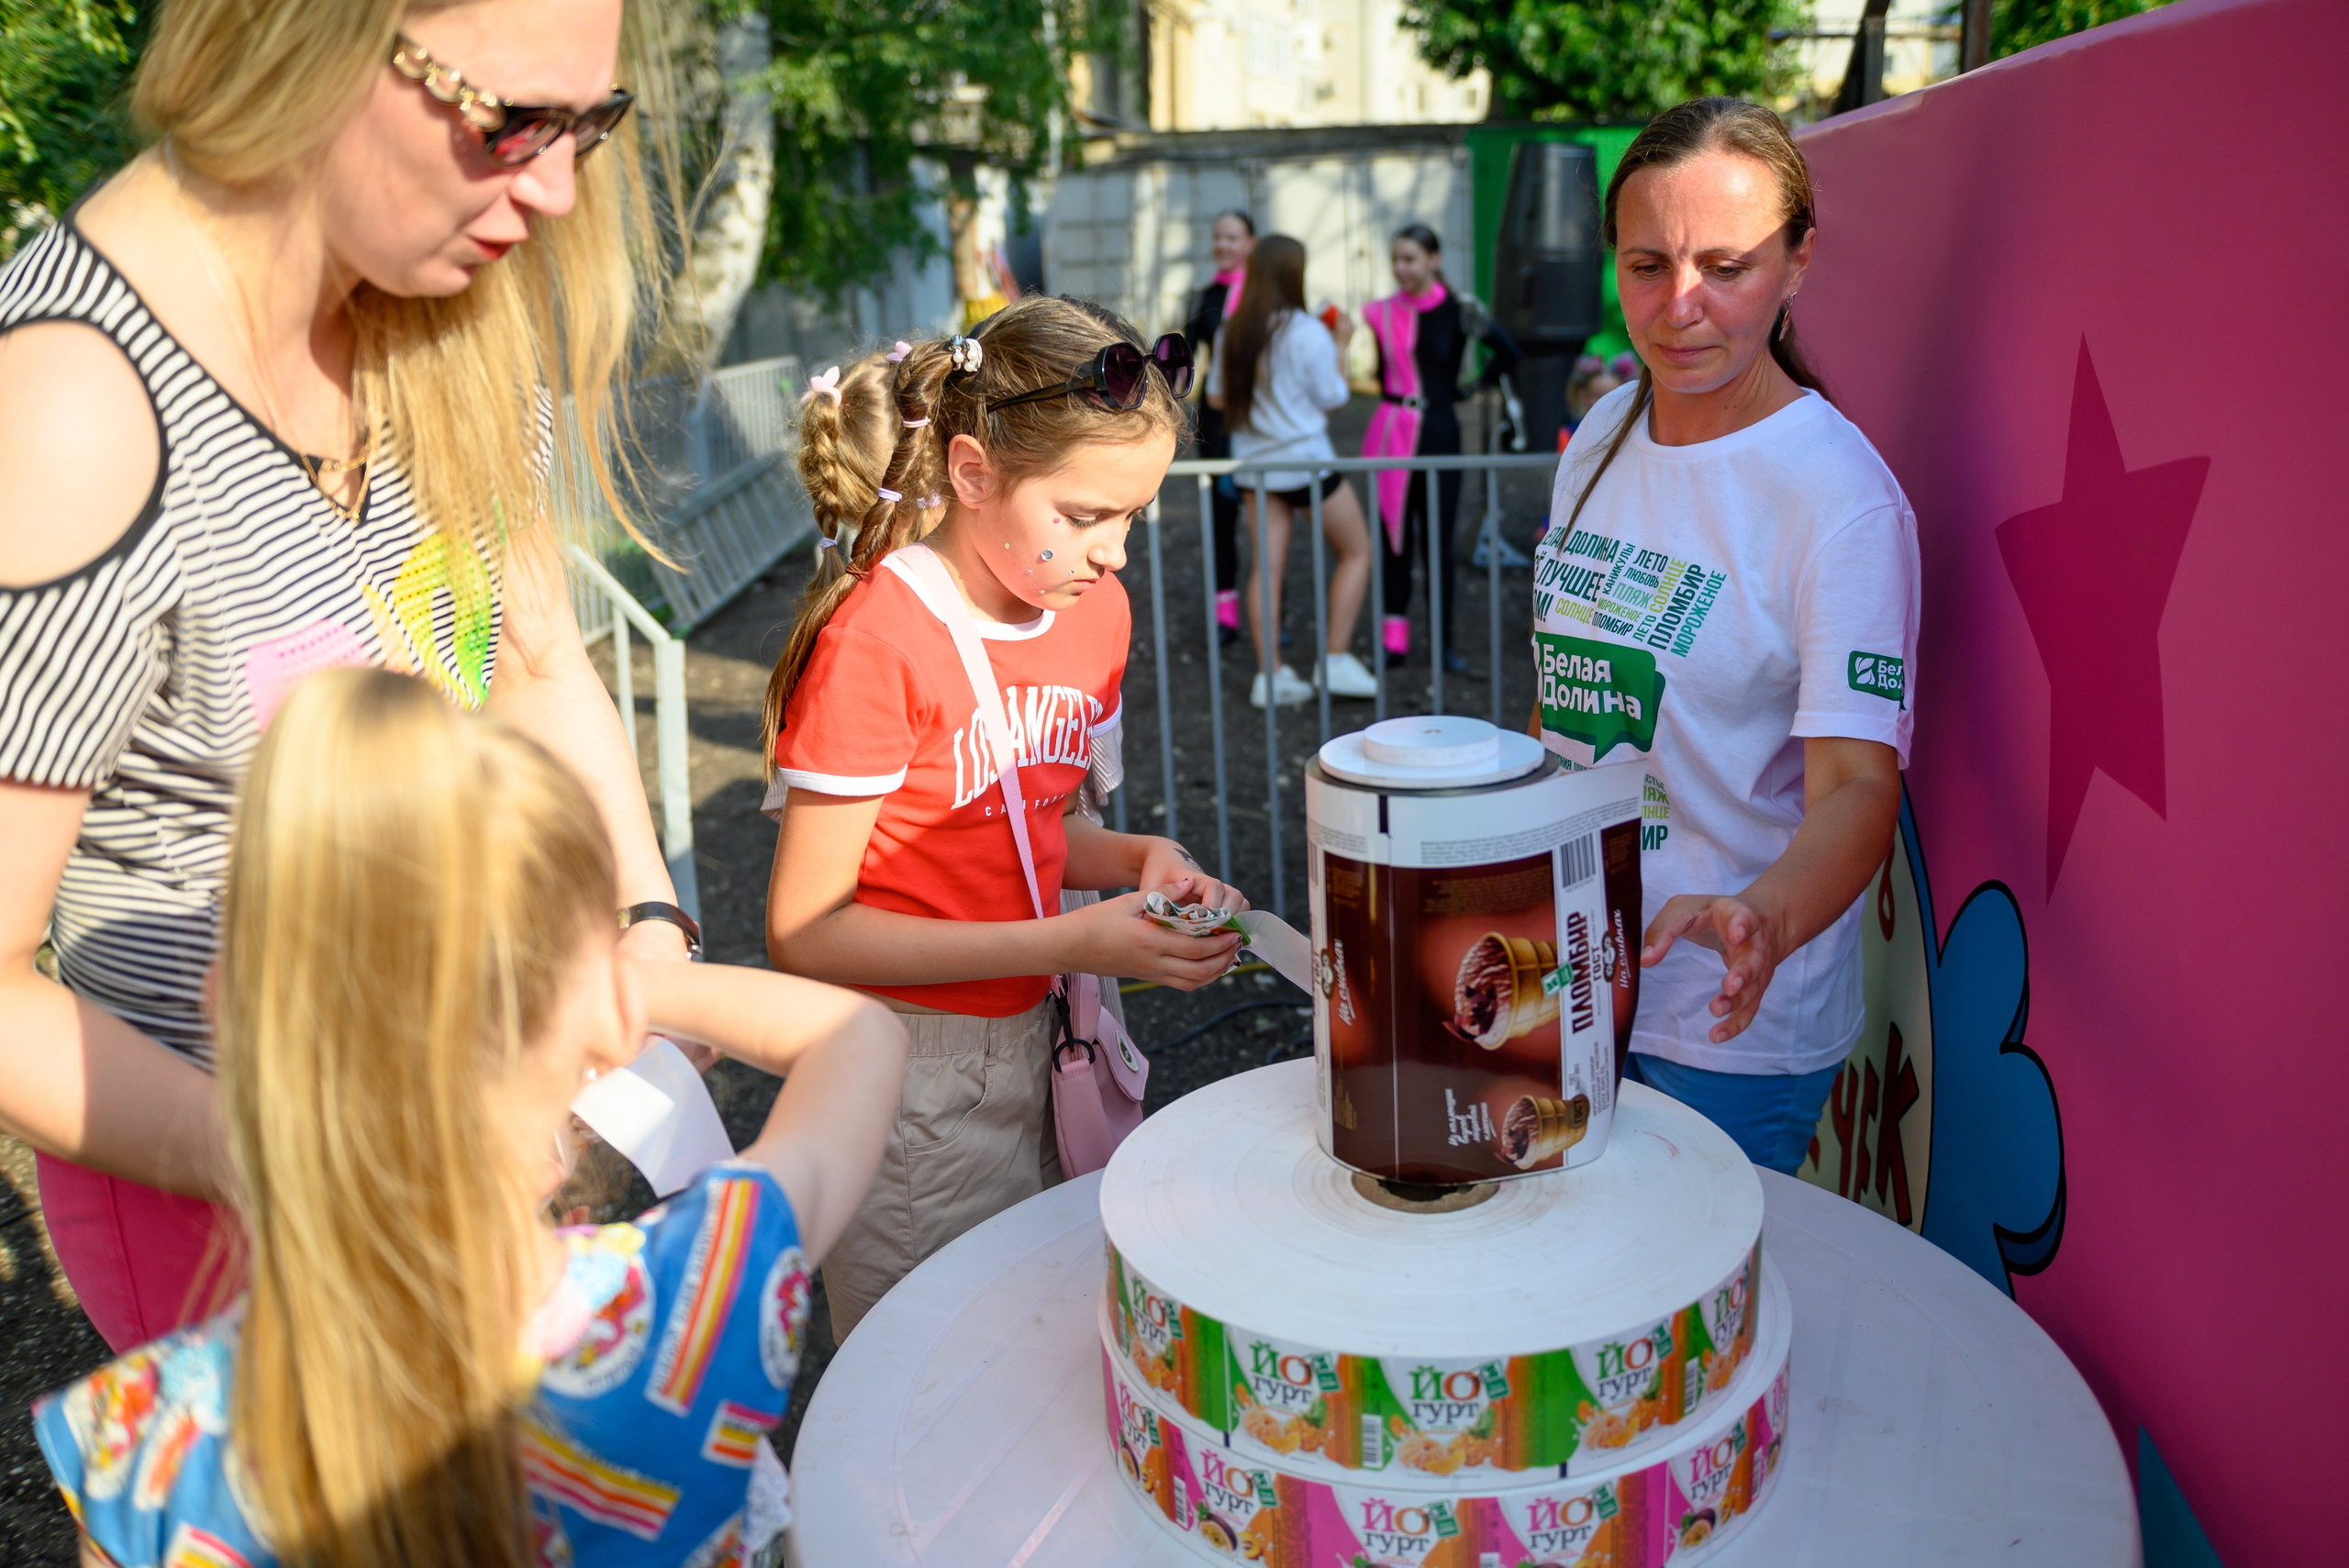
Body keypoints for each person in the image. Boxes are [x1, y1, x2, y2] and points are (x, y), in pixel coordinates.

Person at [0, 0, 705, 1354]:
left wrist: (643, 926)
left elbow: (535, 660)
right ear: (304, 41)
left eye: (589, 127)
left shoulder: (437, 312)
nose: (557, 192)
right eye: (510, 123)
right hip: (232, 1189)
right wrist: (330, 1170)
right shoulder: (74, 412)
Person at [33, 668, 909, 1568]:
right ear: (596, 1017)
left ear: (236, 1019)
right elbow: (858, 1036)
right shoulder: (695, 1300)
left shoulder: (143, 1446)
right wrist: (623, 985)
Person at [762, 297, 1251, 1340]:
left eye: (1134, 516)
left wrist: (1141, 857)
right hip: (903, 1076)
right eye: (1082, 516)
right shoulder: (878, 638)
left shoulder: (1091, 611)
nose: (1114, 551)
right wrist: (1072, 935)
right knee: (927, 1377)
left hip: (1040, 1038)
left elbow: (1029, 833)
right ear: (973, 473)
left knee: (1033, 1346)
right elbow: (806, 930)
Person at [1530, 98, 1918, 1174]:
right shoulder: (1603, 429)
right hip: (1570, 974)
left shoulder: (1839, 503)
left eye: (1727, 266)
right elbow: (1566, 693)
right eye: (1647, 264)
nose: (1680, 308)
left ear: (1797, 263)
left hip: (1726, 1026)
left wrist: (1760, 919)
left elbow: (1855, 787)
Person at [1206, 235, 1379, 708]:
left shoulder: (1232, 331)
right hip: (1304, 462)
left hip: (1255, 468)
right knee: (1357, 551)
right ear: (1293, 275)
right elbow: (1335, 397)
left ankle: (1271, 675)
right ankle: (1336, 658)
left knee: (1267, 570)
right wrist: (1342, 342)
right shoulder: (1305, 331)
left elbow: (1217, 398)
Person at [1361, 224, 1519, 673]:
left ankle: (1444, 644)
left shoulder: (1458, 310)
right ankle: (1394, 643)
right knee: (1394, 539)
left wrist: (1471, 389)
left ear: (1434, 259)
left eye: (1410, 258)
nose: (1400, 268)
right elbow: (1378, 372)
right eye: (1395, 259)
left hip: (1441, 432)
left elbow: (1508, 353)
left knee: (1438, 542)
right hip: (1390, 434)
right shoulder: (1379, 313)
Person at [1184, 209, 1255, 646]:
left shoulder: (1265, 296)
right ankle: (1225, 613)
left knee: (1269, 518)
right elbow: (1186, 356)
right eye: (1218, 237)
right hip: (1216, 418)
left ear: (1251, 242)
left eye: (1233, 237)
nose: (1224, 245)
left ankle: (1270, 610)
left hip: (1260, 418)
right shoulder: (1206, 294)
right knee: (1221, 518)